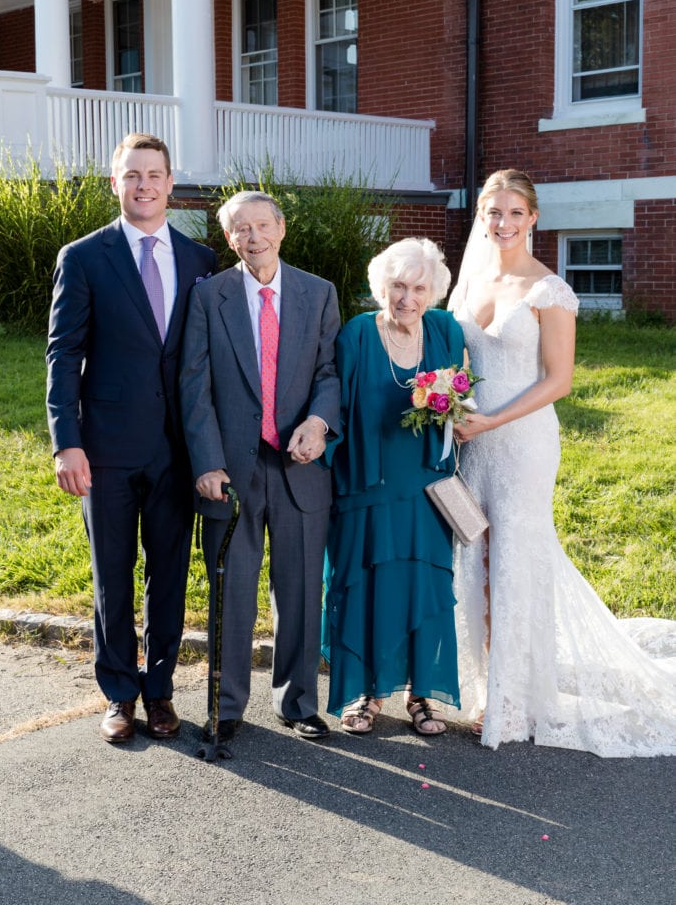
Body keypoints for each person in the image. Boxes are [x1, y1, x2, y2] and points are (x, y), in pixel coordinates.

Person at [448, 168, 676, 756]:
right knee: (473, 553)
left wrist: (492, 421)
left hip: (522, 442)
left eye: (514, 213)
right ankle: (477, 687)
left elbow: (560, 381)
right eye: (492, 212)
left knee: (516, 559)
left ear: (533, 219)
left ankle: (515, 697)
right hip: (470, 441)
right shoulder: (465, 285)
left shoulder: (550, 290)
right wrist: (449, 411)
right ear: (482, 217)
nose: (502, 223)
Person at [46, 132, 218, 744]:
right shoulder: (85, 257)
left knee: (169, 573)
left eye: (154, 174)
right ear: (114, 183)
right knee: (111, 574)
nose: (144, 185)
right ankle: (119, 692)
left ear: (172, 183)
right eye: (132, 175)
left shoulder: (201, 261)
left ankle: (161, 689)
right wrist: (67, 441)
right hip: (106, 448)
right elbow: (63, 354)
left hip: (177, 449)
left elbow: (207, 362)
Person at [179, 190, 341, 742]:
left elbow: (328, 373)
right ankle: (226, 706)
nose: (253, 237)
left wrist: (319, 425)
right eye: (240, 229)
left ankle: (298, 703)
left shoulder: (318, 294)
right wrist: (206, 462)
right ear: (229, 239)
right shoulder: (209, 298)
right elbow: (194, 386)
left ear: (281, 228)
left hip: (299, 467)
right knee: (233, 588)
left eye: (262, 226)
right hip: (230, 471)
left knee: (299, 589)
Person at [322, 238, 464, 735]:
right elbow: (334, 405)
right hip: (365, 484)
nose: (407, 297)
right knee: (365, 587)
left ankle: (422, 694)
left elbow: (461, 400)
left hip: (427, 488)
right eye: (397, 286)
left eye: (418, 287)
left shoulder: (446, 330)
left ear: (434, 292)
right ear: (381, 287)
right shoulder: (357, 334)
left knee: (424, 587)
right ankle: (365, 694)